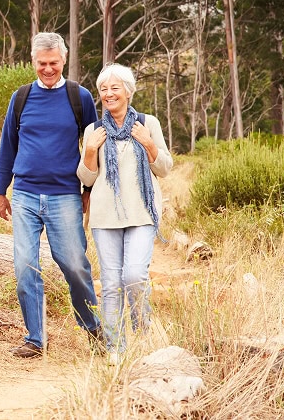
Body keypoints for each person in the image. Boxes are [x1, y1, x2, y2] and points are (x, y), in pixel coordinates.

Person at [0, 32, 103, 358]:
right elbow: (8, 146)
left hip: (65, 196)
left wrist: (89, 190)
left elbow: (94, 148)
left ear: (63, 60)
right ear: (33, 62)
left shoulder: (79, 97)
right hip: (25, 195)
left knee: (74, 265)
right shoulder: (21, 97)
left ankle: (94, 328)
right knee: (25, 265)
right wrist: (1, 190)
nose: (48, 69)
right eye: (42, 64)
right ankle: (35, 338)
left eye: (53, 63)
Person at [77, 63, 173, 365]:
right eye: (103, 89)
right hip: (105, 217)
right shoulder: (93, 130)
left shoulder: (148, 123)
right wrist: (90, 151)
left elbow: (165, 168)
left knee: (133, 275)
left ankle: (142, 334)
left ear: (128, 92)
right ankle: (115, 349)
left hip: (142, 213)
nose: (108, 94)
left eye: (114, 88)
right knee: (110, 282)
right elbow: (86, 178)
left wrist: (147, 143)